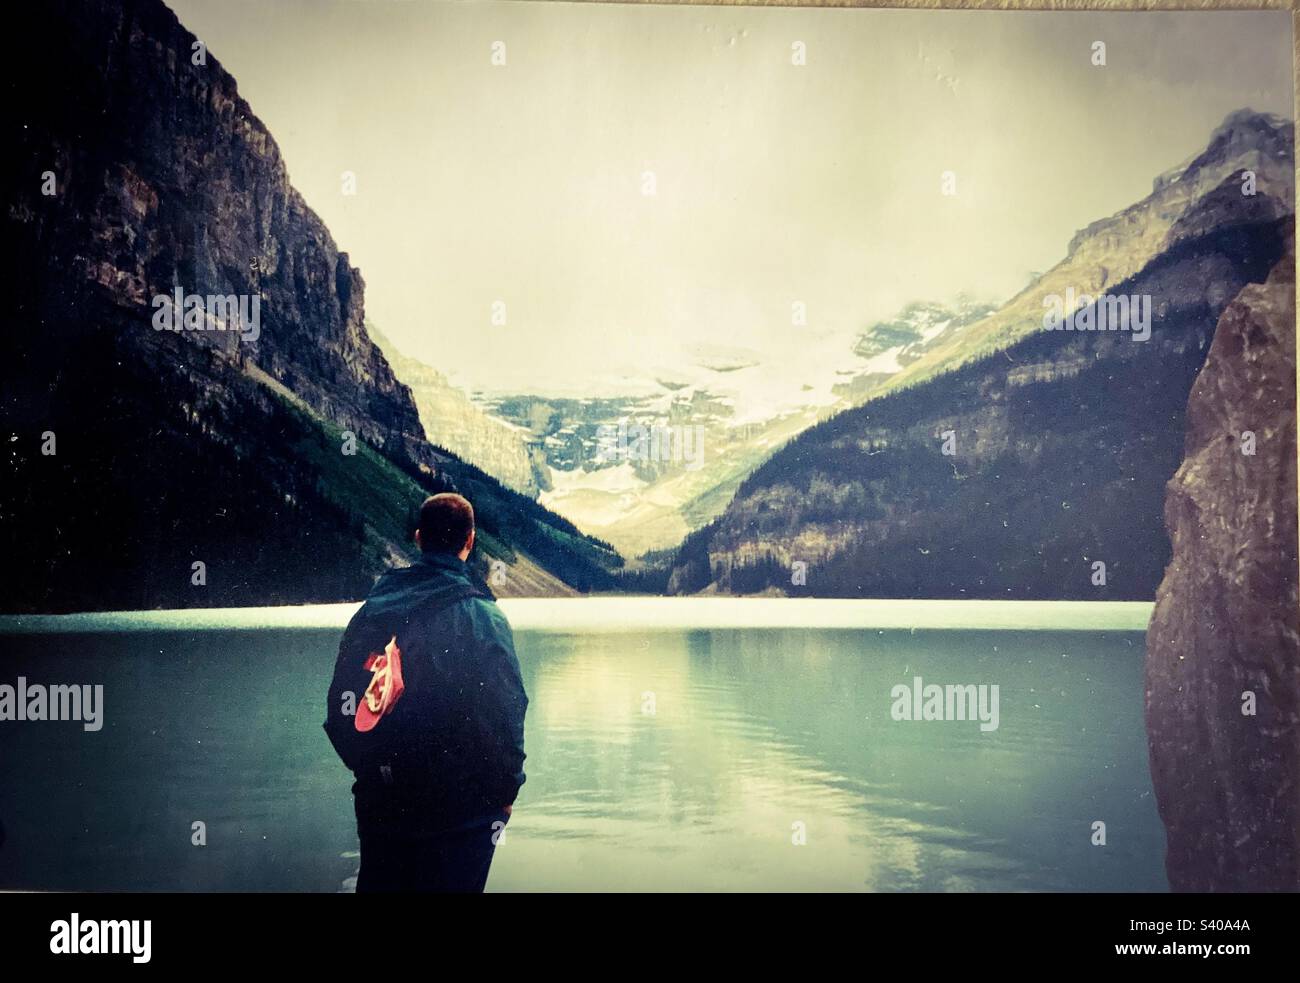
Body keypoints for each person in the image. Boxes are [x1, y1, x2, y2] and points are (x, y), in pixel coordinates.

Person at [324, 492, 528, 892]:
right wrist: (506, 791)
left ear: (418, 538)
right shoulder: (485, 617)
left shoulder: (372, 610)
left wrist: (366, 769)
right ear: (469, 541)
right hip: (463, 809)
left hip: (384, 799)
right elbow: (506, 711)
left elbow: (341, 704)